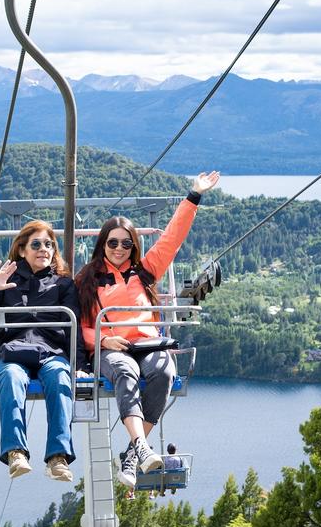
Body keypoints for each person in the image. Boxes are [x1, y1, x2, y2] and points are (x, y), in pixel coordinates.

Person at [75, 171, 220, 488]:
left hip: (149, 346)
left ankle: (132, 451)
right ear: (103, 244)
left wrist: (193, 195)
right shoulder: (86, 280)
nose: (119, 248)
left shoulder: (144, 272)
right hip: (111, 350)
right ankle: (141, 446)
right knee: (126, 372)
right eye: (113, 242)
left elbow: (171, 239)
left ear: (133, 245)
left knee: (164, 372)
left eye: (126, 243)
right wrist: (102, 339)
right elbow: (79, 327)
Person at [0, 220, 85, 481]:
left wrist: (80, 365)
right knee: (11, 377)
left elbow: (74, 326)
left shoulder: (63, 285)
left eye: (49, 245)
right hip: (12, 351)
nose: (43, 249)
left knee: (59, 377)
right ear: (22, 250)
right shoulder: (6, 279)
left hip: (50, 351)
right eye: (36, 244)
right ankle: (16, 452)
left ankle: (58, 456)